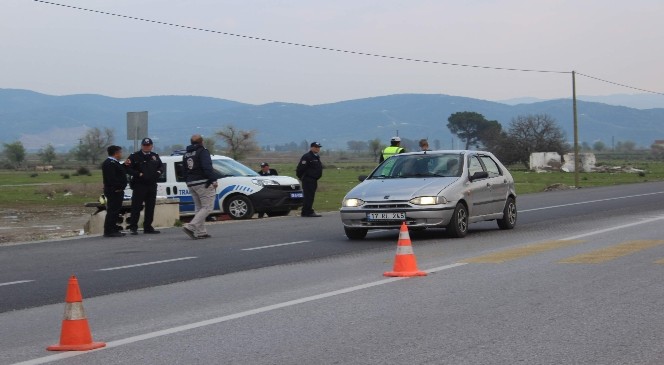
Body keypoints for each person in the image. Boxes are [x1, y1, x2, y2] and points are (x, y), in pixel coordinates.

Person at [182, 134, 218, 239]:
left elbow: (184, 170)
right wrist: (213, 179)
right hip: (202, 182)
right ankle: (191, 226)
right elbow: (207, 167)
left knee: (199, 208)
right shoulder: (202, 151)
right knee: (207, 207)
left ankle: (201, 232)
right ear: (201, 142)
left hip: (191, 183)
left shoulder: (186, 154)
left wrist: (188, 180)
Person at [124, 137, 163, 235]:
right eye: (145, 145)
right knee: (136, 207)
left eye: (148, 145)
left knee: (150, 207)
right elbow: (127, 168)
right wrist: (138, 174)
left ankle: (148, 227)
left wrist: (158, 172)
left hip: (152, 185)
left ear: (151, 146)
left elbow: (161, 166)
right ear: (141, 146)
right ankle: (133, 227)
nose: (146, 147)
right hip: (139, 185)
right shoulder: (134, 156)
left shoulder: (155, 156)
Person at [101, 145, 127, 238]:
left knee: (116, 211)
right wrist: (118, 187)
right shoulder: (109, 163)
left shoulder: (115, 163)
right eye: (120, 152)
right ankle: (109, 230)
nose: (121, 154)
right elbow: (111, 178)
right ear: (116, 153)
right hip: (114, 190)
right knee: (112, 210)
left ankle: (113, 228)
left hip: (117, 190)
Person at [296, 142, 323, 217]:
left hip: (314, 179)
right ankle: (308, 211)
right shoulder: (307, 156)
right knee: (308, 196)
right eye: (316, 147)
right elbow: (300, 168)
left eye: (318, 147)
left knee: (310, 195)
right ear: (311, 147)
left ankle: (305, 211)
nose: (318, 148)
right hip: (308, 179)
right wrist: (302, 177)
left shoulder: (316, 156)